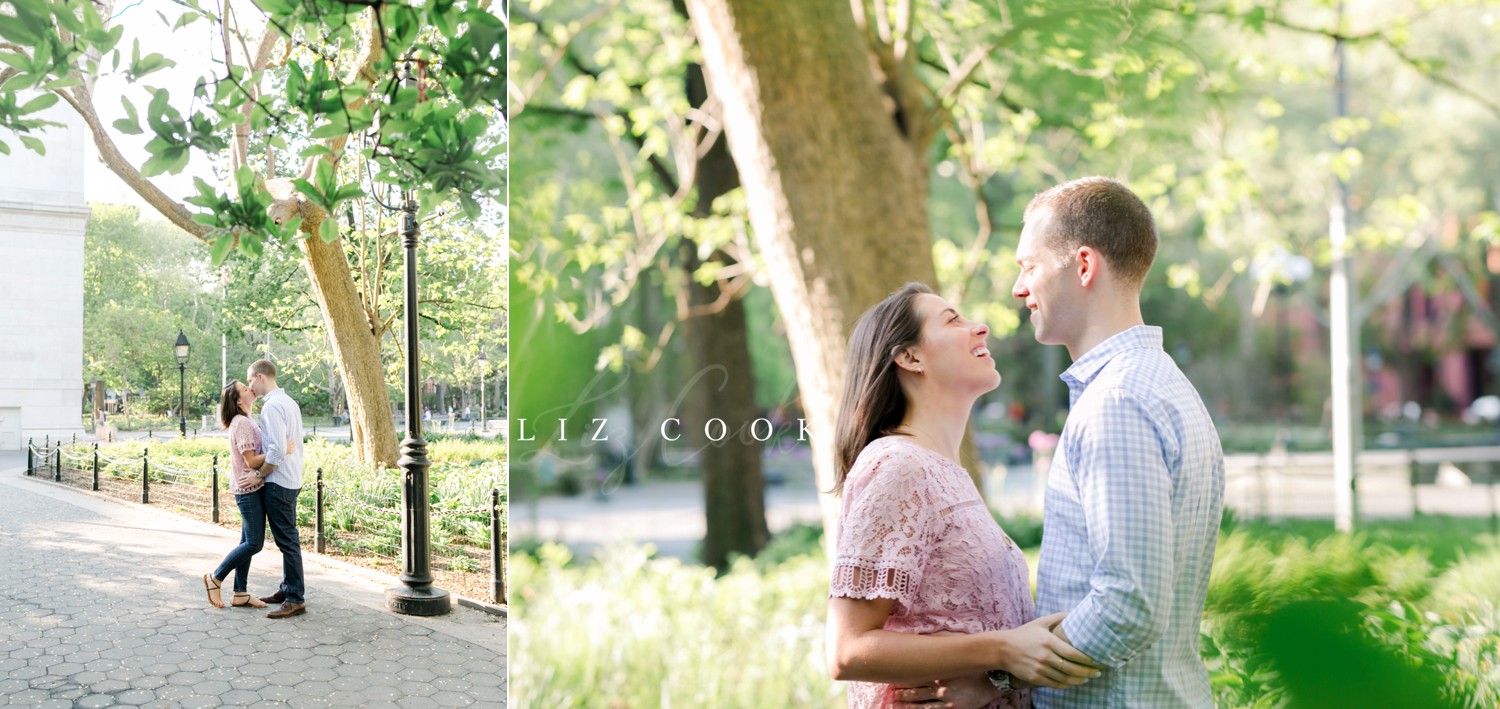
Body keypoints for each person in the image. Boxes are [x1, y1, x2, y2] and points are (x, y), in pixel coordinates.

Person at [908, 178, 1225, 708]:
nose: (1018, 288)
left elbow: (1129, 606)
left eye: (1028, 266)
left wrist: (998, 678)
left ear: (1083, 265)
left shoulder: (1117, 402)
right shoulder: (1156, 383)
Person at [827, 282, 1099, 709]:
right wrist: (1002, 649)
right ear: (909, 357)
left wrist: (996, 677)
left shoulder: (945, 472)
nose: (982, 328)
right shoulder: (898, 466)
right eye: (954, 321)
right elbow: (847, 650)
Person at [247, 359, 308, 619]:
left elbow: (277, 450)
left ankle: (295, 598)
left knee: (287, 541)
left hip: (279, 481)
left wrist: (259, 474)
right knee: (288, 539)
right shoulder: (289, 402)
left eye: (250, 379)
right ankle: (287, 589)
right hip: (292, 479)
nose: (249, 385)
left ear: (261, 377)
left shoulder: (271, 407)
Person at [202, 381, 268, 609]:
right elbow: (250, 460)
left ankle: (240, 592)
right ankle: (216, 578)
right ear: (238, 400)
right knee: (254, 543)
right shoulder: (241, 423)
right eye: (245, 388)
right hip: (247, 491)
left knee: (245, 541)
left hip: (251, 488)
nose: (251, 388)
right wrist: (278, 453)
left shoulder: (246, 420)